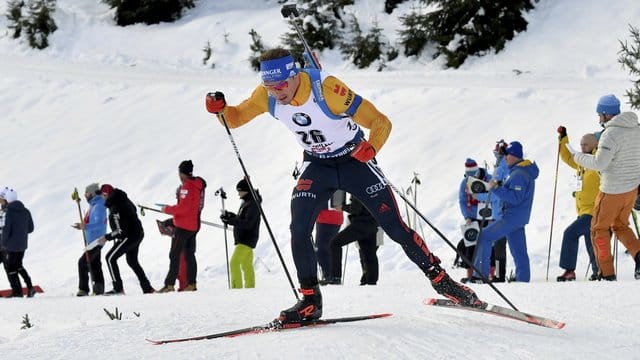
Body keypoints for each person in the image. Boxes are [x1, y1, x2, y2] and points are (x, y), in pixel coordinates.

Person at [205, 47, 480, 323]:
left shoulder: (327, 89)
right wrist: (220, 111)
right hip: (317, 165)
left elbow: (379, 121)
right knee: (298, 229)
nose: (276, 93)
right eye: (269, 86)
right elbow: (236, 117)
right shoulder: (267, 95)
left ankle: (443, 280)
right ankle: (310, 300)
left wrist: (372, 147)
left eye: (280, 85)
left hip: (354, 162)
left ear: (294, 75)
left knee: (395, 227)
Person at [571, 94, 640, 280]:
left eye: (599, 114)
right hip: (631, 189)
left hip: (611, 190)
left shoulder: (611, 134)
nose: (599, 118)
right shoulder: (636, 128)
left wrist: (577, 157)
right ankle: (639, 257)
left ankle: (606, 273)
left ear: (605, 113)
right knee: (620, 225)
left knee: (598, 229)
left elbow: (600, 163)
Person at [471, 141, 539, 282]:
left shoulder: (519, 174)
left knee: (485, 236)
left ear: (514, 156)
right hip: (517, 217)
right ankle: (523, 280)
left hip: (511, 217)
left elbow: (515, 198)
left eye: (507, 155)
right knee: (519, 251)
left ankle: (480, 276)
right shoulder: (518, 171)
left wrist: (495, 188)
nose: (505, 158)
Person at [556, 129, 600, 281]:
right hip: (584, 211)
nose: (582, 147)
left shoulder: (598, 161)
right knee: (591, 242)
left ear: (595, 145)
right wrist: (563, 139)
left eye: (585, 144)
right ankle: (598, 271)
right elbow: (568, 157)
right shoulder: (583, 162)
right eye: (581, 144)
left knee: (570, 233)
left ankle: (569, 270)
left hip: (594, 210)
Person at [157, 160, 207, 293]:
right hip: (194, 225)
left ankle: (169, 285)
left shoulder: (186, 186)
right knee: (190, 255)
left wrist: (166, 209)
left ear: (182, 173)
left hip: (183, 226)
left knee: (174, 254)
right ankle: (192, 283)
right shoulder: (198, 185)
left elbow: (183, 207)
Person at [97, 184, 154, 295]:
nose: (102, 198)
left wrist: (107, 237)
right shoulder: (122, 198)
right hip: (138, 233)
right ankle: (147, 288)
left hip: (129, 235)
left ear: (106, 195)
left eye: (102, 195)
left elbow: (121, 231)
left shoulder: (115, 207)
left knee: (110, 258)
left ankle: (118, 289)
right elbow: (132, 211)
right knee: (132, 261)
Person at [457, 158, 499, 283]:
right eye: (468, 175)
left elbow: (495, 197)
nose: (471, 178)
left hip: (488, 215)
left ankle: (491, 273)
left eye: (473, 175)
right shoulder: (464, 183)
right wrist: (467, 216)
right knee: (471, 246)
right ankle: (470, 274)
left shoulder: (489, 179)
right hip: (472, 218)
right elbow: (462, 201)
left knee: (489, 245)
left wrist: (493, 217)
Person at [329, 195, 380, 285]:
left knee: (335, 243)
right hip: (374, 222)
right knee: (369, 253)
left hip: (361, 223)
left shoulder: (359, 184)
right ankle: (371, 280)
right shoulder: (375, 185)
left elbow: (356, 208)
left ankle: (336, 277)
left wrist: (342, 207)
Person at [220, 178, 261, 288]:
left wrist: (231, 221)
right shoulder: (248, 202)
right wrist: (230, 216)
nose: (238, 194)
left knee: (234, 263)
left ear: (246, 190)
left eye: (240, 191)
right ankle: (250, 288)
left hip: (246, 239)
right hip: (245, 238)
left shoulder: (252, 204)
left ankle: (236, 289)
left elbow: (248, 223)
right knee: (246, 265)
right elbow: (242, 218)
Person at [72, 183, 107, 296]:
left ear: (92, 193)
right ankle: (98, 288)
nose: (85, 195)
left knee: (83, 262)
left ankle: (83, 289)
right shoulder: (94, 205)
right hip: (93, 241)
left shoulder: (98, 206)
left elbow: (100, 223)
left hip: (96, 241)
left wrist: (85, 226)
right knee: (95, 263)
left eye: (86, 193)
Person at [0, 188, 36, 298]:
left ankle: (17, 292)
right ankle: (30, 287)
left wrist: (3, 243)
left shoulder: (8, 212)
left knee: (11, 268)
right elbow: (30, 228)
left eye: (1, 199)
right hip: (22, 245)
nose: (0, 202)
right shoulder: (25, 211)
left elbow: (6, 229)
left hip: (9, 245)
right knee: (18, 266)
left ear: (6, 200)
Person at [315, 190, 345, 285]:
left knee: (322, 249)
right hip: (324, 219)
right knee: (324, 249)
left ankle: (329, 276)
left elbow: (337, 202)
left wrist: (315, 202)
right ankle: (330, 275)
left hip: (330, 219)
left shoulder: (335, 181)